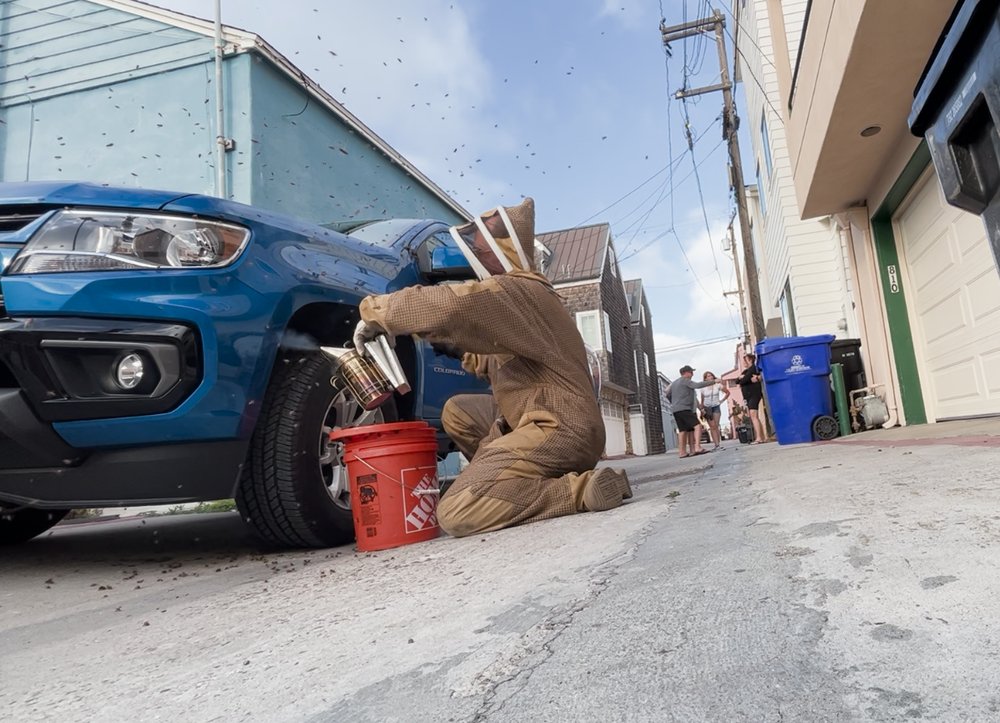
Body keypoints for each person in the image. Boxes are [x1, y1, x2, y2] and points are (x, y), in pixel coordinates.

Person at [352, 197, 632, 538]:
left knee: (457, 511)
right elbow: (485, 359)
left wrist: (377, 311)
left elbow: (455, 305)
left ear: (507, 251)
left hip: (562, 429)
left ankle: (577, 490)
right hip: (539, 419)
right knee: (458, 411)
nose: (477, 258)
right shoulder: (516, 304)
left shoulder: (521, 291)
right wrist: (438, 341)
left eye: (483, 251)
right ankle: (508, 481)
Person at [666, 365, 717, 458]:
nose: (692, 374)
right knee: (697, 426)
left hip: (676, 409)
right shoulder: (686, 381)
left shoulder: (674, 383)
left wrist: (673, 402)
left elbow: (667, 393)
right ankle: (698, 447)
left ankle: (682, 452)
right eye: (691, 372)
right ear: (686, 373)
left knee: (682, 430)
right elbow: (697, 385)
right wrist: (713, 381)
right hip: (684, 408)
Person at [738, 353, 767, 444]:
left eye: (745, 360)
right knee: (754, 416)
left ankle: (759, 438)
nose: (743, 362)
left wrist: (743, 378)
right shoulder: (746, 371)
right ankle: (761, 437)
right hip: (749, 396)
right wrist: (741, 378)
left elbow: (743, 380)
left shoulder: (753, 369)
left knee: (754, 415)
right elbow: (737, 381)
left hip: (754, 394)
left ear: (750, 360)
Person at [697, 371, 730, 449]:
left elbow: (728, 392)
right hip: (707, 407)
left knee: (716, 425)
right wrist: (701, 409)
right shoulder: (703, 388)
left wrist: (721, 401)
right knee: (712, 426)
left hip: (716, 406)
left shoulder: (718, 385)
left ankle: (718, 443)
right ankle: (716, 444)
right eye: (708, 376)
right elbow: (702, 399)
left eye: (711, 375)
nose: (710, 377)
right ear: (705, 379)